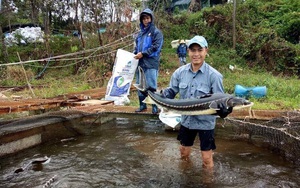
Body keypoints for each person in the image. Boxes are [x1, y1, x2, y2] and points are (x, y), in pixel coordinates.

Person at [160, 35, 232, 169]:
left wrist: (224, 111)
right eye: (193, 50)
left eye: (200, 50)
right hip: (187, 121)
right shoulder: (179, 72)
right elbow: (172, 90)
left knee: (206, 158)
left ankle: (208, 183)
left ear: (206, 51)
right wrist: (163, 94)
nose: (196, 54)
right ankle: (187, 177)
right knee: (183, 153)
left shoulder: (214, 76)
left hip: (206, 123)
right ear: (188, 52)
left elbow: (222, 100)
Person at [133, 8, 164, 114]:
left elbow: (156, 47)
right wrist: (134, 54)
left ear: (151, 18)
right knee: (139, 85)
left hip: (151, 62)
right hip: (140, 63)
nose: (146, 20)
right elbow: (137, 48)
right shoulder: (140, 34)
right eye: (144, 19)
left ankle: (155, 106)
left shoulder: (156, 32)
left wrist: (143, 54)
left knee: (151, 85)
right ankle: (142, 105)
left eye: (147, 18)